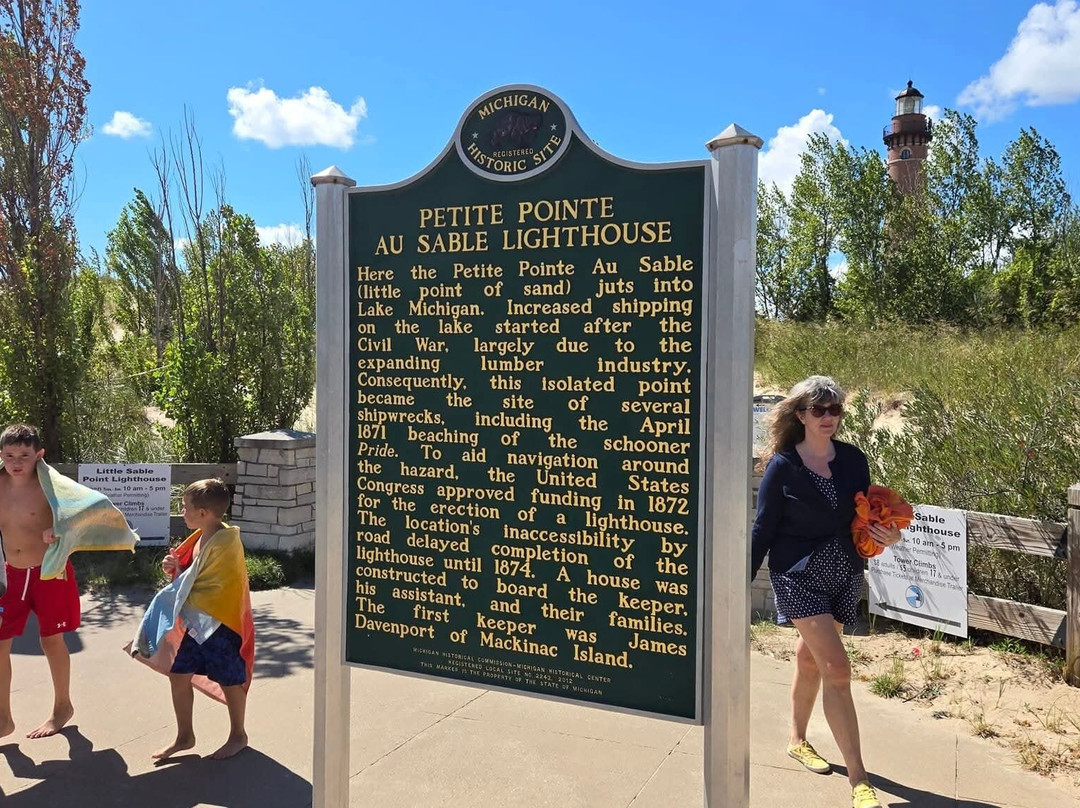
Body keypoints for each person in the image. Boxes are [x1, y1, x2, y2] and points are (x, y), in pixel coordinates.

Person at [751, 377, 901, 808]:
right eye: (819, 410)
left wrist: (888, 535)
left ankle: (797, 740)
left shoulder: (854, 460)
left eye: (835, 409)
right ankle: (858, 778)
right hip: (796, 573)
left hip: (843, 569)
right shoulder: (783, 466)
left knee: (808, 657)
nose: (829, 418)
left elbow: (866, 514)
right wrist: (740, 583)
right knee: (837, 668)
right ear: (800, 414)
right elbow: (763, 529)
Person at [130, 478, 254, 760]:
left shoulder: (226, 541)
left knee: (229, 680)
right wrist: (176, 568)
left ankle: (238, 735)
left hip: (222, 624)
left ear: (203, 513)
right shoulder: (201, 536)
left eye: (185, 507)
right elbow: (191, 576)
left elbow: (216, 584)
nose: (182, 511)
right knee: (179, 675)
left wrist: (179, 581)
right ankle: (185, 736)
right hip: (198, 625)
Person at [0, 424, 78, 740]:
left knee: (51, 640)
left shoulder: (53, 486)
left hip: (50, 571)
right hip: (10, 575)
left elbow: (80, 522)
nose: (16, 462)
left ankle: (62, 707)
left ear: (39, 455)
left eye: (24, 455)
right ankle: (3, 719)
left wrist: (59, 531)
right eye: (9, 455)